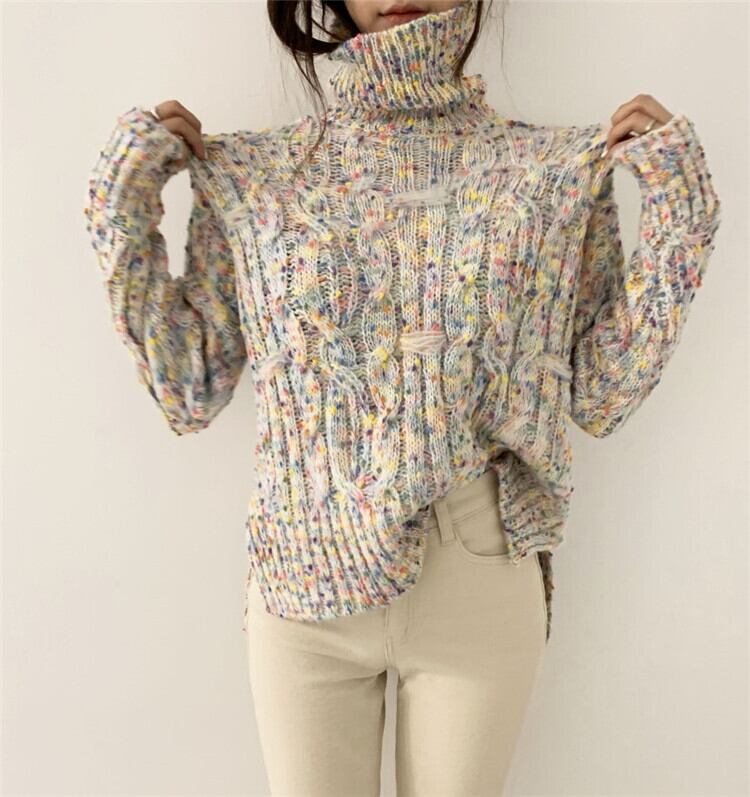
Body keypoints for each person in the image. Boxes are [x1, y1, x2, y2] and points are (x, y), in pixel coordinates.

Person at [83, 1, 721, 794]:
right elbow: (189, 388)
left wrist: (680, 218)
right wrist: (121, 205)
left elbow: (602, 395)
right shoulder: (252, 177)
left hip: (479, 577)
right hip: (301, 581)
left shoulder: (553, 174)